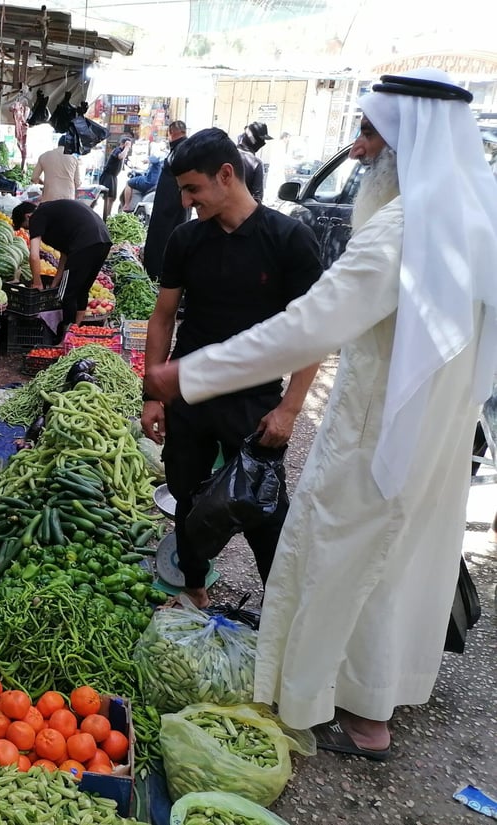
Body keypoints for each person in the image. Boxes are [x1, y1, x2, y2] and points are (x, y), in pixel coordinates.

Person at [143, 68, 497, 759]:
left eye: (369, 133)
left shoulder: (402, 227)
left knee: (343, 558)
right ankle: (374, 703)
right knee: (396, 562)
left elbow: (311, 324)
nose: (359, 149)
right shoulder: (472, 212)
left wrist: (193, 372)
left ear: (403, 140)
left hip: (379, 427)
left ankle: (348, 714)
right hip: (439, 429)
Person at [141, 127, 322, 607]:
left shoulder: (288, 240)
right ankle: (193, 589)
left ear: (226, 175)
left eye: (192, 188)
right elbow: (161, 318)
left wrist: (289, 409)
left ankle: (282, 609)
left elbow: (314, 333)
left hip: (254, 400)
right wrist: (154, 394)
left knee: (264, 508)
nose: (185, 199)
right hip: (190, 395)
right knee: (187, 495)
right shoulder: (186, 240)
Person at [12, 199, 111, 338]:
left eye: (27, 227)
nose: (30, 231)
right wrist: (54, 283)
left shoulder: (37, 215)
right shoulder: (53, 215)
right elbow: (64, 256)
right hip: (103, 241)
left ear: (28, 216)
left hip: (85, 243)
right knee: (81, 290)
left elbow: (33, 256)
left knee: (66, 295)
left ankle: (65, 339)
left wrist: (37, 282)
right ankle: (75, 334)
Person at [142, 120, 188, 281]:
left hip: (169, 207)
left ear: (172, 133)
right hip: (171, 205)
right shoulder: (182, 148)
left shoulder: (181, 150)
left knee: (164, 239)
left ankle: (158, 273)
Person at [31, 134, 82, 203]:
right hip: (68, 198)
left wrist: (44, 183)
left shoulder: (44, 156)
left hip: (49, 197)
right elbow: (77, 183)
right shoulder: (73, 159)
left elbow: (34, 178)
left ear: (58, 143)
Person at [236, 121, 272, 202]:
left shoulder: (225, 154)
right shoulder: (256, 163)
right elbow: (257, 198)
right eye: (261, 140)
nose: (263, 143)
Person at [99, 137, 133, 219]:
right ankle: (105, 217)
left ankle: (108, 216)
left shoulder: (122, 151)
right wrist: (127, 147)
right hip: (108, 176)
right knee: (108, 197)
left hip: (113, 176)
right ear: (124, 144)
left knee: (112, 198)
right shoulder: (117, 150)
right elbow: (120, 157)